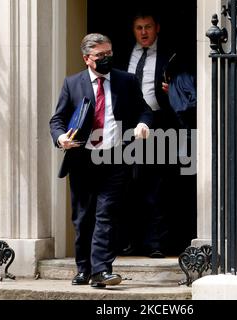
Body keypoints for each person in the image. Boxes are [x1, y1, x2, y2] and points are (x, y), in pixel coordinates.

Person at [49, 33, 152, 288]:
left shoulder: (125, 81)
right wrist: (61, 138)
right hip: (83, 160)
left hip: (116, 158)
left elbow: (144, 110)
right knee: (83, 218)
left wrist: (142, 124)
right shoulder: (72, 83)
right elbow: (57, 119)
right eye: (100, 55)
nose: (106, 58)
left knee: (106, 215)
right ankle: (84, 269)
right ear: (87, 58)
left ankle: (102, 270)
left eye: (109, 54)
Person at [115, 11, 180, 258]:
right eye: (139, 27)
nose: (144, 32)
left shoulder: (170, 55)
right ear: (133, 30)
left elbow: (186, 87)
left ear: (157, 29)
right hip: (125, 128)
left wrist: (172, 88)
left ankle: (155, 244)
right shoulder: (120, 54)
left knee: (155, 189)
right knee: (124, 187)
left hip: (159, 127)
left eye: (148, 27)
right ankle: (127, 242)